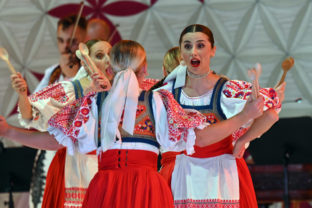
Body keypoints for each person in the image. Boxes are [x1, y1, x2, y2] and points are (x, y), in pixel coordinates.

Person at [156, 24, 284, 207]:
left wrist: (242, 140)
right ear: (181, 52)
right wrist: (244, 117)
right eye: (187, 46)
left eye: (200, 46)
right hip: (183, 176)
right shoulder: (166, 94)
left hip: (221, 177)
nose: (193, 52)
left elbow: (271, 113)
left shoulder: (228, 90)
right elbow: (199, 139)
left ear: (213, 50)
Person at [6, 39, 112, 208]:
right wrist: (22, 94)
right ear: (85, 62)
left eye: (110, 55)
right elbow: (31, 115)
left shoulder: (120, 92)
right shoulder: (70, 90)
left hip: (107, 168)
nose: (108, 60)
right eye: (100, 56)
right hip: (73, 168)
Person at [8, 14, 87, 208]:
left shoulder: (90, 73)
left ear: (84, 39)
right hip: (52, 151)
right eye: (61, 41)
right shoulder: (53, 73)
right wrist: (22, 94)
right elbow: (31, 115)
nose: (66, 46)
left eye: (73, 41)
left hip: (83, 153)